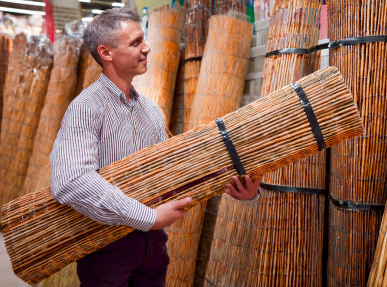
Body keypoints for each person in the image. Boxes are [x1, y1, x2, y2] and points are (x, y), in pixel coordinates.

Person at [50, 8, 261, 287]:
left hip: (153, 247)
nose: (147, 48)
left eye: (144, 40)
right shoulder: (86, 109)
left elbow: (172, 175)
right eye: (135, 42)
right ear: (106, 53)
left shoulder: (150, 111)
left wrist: (240, 190)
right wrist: (148, 217)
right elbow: (71, 182)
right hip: (106, 247)